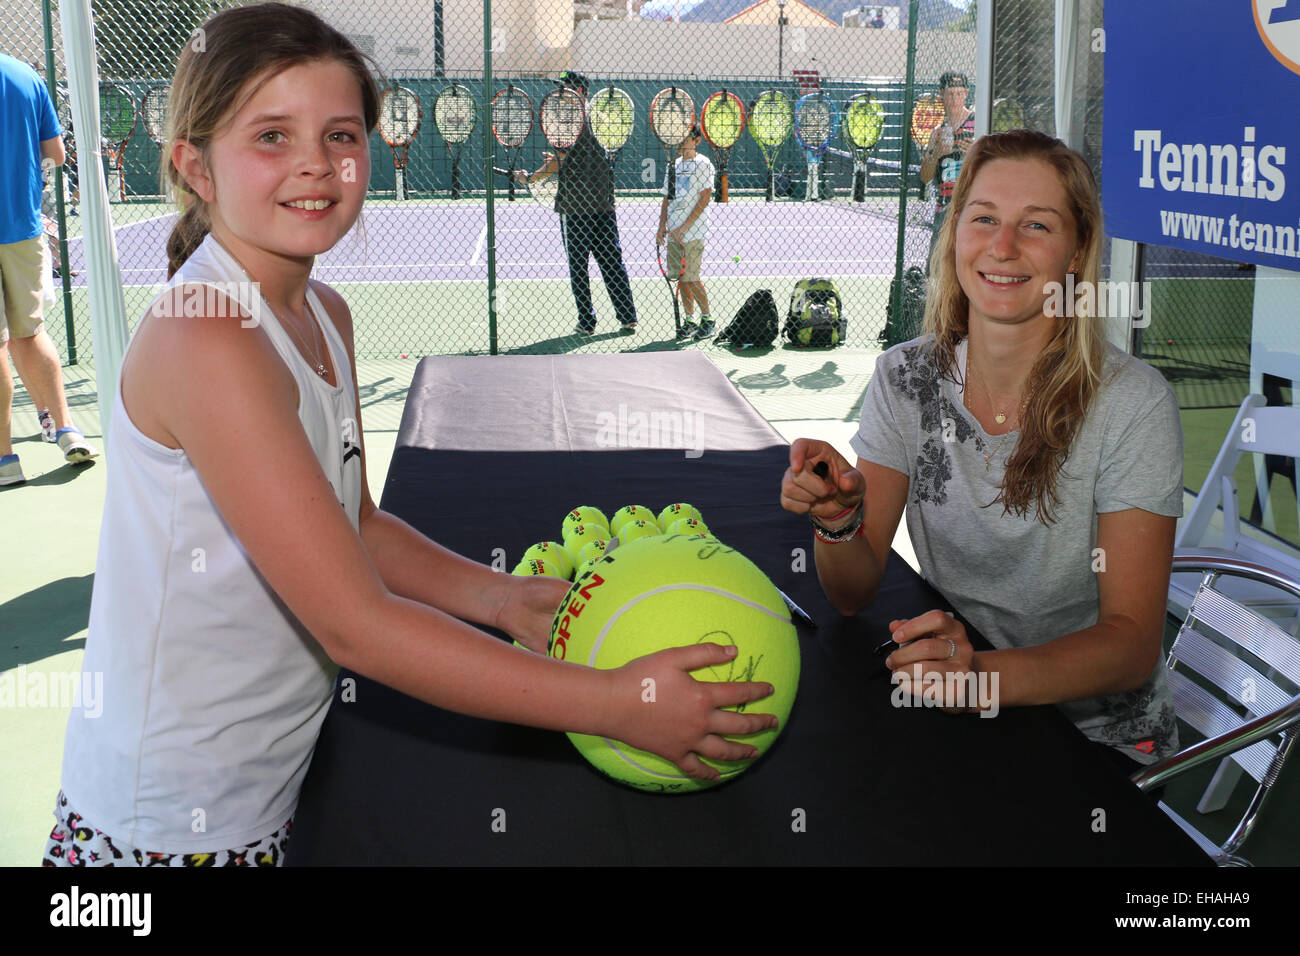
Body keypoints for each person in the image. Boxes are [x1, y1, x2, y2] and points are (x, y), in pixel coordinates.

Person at [44, 3, 775, 867]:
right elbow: (357, 627)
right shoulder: (206, 337)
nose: (316, 163)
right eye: (271, 136)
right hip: (165, 824)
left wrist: (503, 601)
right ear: (194, 167)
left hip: (265, 783)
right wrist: (612, 702)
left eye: (341, 134)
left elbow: (357, 526)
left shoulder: (324, 313)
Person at [780, 130, 1184, 782]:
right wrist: (836, 520)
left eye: (1037, 226)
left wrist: (979, 678)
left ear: (1077, 252)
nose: (1002, 247)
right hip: (960, 713)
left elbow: (1132, 643)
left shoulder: (1134, 405)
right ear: (956, 233)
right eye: (985, 218)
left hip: (1097, 745)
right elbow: (852, 594)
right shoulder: (904, 377)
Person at [0, 53, 96, 487]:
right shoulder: (26, 75)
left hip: (22, 224)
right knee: (30, 334)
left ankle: (5, 460)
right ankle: (66, 428)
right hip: (22, 227)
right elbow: (56, 153)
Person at [518, 71, 637, 336]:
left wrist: (529, 178)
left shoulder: (569, 120)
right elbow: (580, 156)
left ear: (580, 91)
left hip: (575, 209)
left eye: (566, 88)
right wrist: (564, 160)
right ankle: (628, 317)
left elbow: (557, 162)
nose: (560, 93)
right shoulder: (601, 118)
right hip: (604, 205)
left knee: (578, 267)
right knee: (611, 261)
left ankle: (587, 321)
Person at [655, 124, 715, 341]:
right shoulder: (674, 165)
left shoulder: (703, 164)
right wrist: (662, 226)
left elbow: (705, 197)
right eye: (679, 137)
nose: (681, 141)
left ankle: (707, 319)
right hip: (673, 232)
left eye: (686, 137)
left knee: (692, 278)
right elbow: (667, 197)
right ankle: (690, 319)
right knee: (681, 279)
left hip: (693, 232)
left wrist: (684, 227)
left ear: (696, 141)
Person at [918, 70, 975, 267]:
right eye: (950, 93)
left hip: (971, 202)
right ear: (942, 94)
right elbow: (925, 177)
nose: (954, 99)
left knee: (969, 261)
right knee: (937, 265)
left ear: (966, 93)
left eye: (959, 93)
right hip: (944, 206)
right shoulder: (938, 132)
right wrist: (936, 155)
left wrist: (975, 150)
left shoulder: (979, 123)